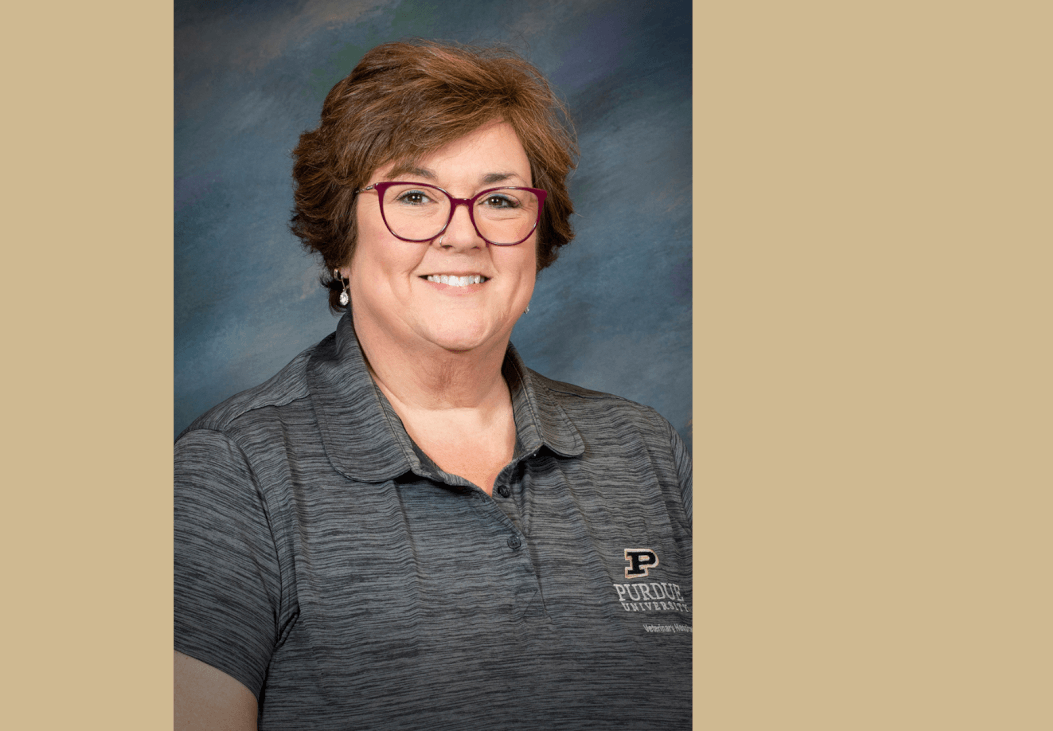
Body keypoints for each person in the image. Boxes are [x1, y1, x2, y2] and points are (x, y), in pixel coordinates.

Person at [175, 40, 692, 730]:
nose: (463, 234)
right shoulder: (231, 472)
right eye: (415, 196)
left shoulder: (646, 450)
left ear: (537, 239)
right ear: (340, 244)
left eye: (500, 199)